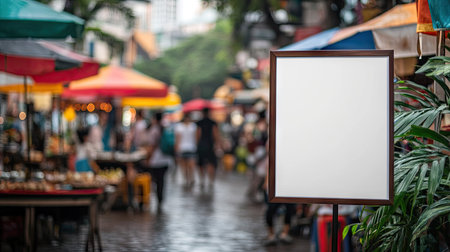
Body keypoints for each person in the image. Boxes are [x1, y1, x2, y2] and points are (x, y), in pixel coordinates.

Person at [144, 112, 171, 211]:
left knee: (155, 181)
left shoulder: (154, 130)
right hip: (166, 160)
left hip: (156, 160)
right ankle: (160, 199)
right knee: (162, 181)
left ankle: (157, 198)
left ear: (155, 119)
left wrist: (148, 158)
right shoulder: (166, 128)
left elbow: (152, 146)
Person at [196, 107, 220, 188]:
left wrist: (197, 144)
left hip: (202, 145)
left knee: (201, 164)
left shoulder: (199, 123)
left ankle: (202, 180)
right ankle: (211, 180)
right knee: (211, 163)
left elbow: (198, 135)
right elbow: (215, 134)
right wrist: (216, 144)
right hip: (210, 145)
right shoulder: (213, 123)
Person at [174, 113, 197, 187]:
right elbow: (178, 139)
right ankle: (188, 179)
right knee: (185, 166)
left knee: (189, 165)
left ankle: (189, 178)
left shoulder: (192, 126)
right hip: (184, 148)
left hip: (189, 148)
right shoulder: (191, 126)